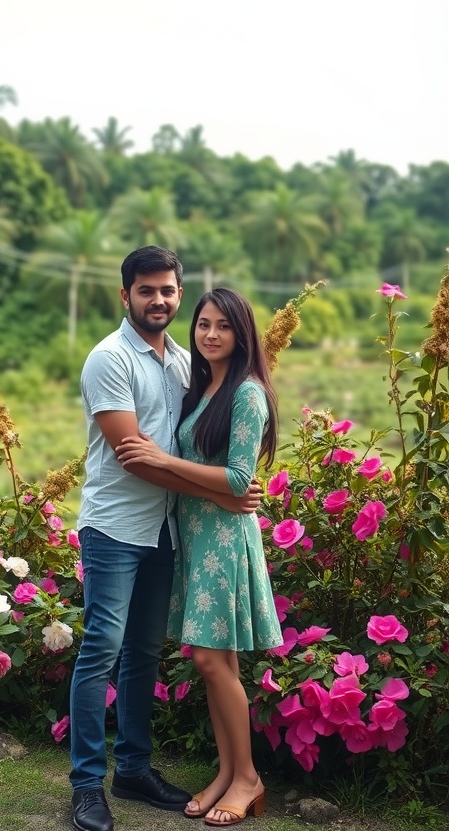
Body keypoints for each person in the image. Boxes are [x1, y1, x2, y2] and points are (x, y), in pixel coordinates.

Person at [69, 247, 262, 831]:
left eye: (168, 290)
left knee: (144, 654)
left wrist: (223, 491)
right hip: (115, 526)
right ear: (124, 294)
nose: (159, 300)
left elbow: (201, 447)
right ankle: (85, 785)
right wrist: (224, 495)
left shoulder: (184, 362)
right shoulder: (109, 359)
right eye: (146, 290)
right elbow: (134, 459)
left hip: (167, 529)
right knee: (102, 647)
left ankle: (132, 769)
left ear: (179, 293)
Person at [116, 287, 283, 828]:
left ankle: (248, 779)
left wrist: (164, 459)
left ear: (242, 334)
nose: (210, 334)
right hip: (199, 534)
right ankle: (228, 772)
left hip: (225, 542)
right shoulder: (205, 385)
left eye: (223, 326)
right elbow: (221, 484)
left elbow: (240, 477)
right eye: (204, 324)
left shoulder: (247, 394)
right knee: (217, 664)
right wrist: (204, 488)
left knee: (213, 660)